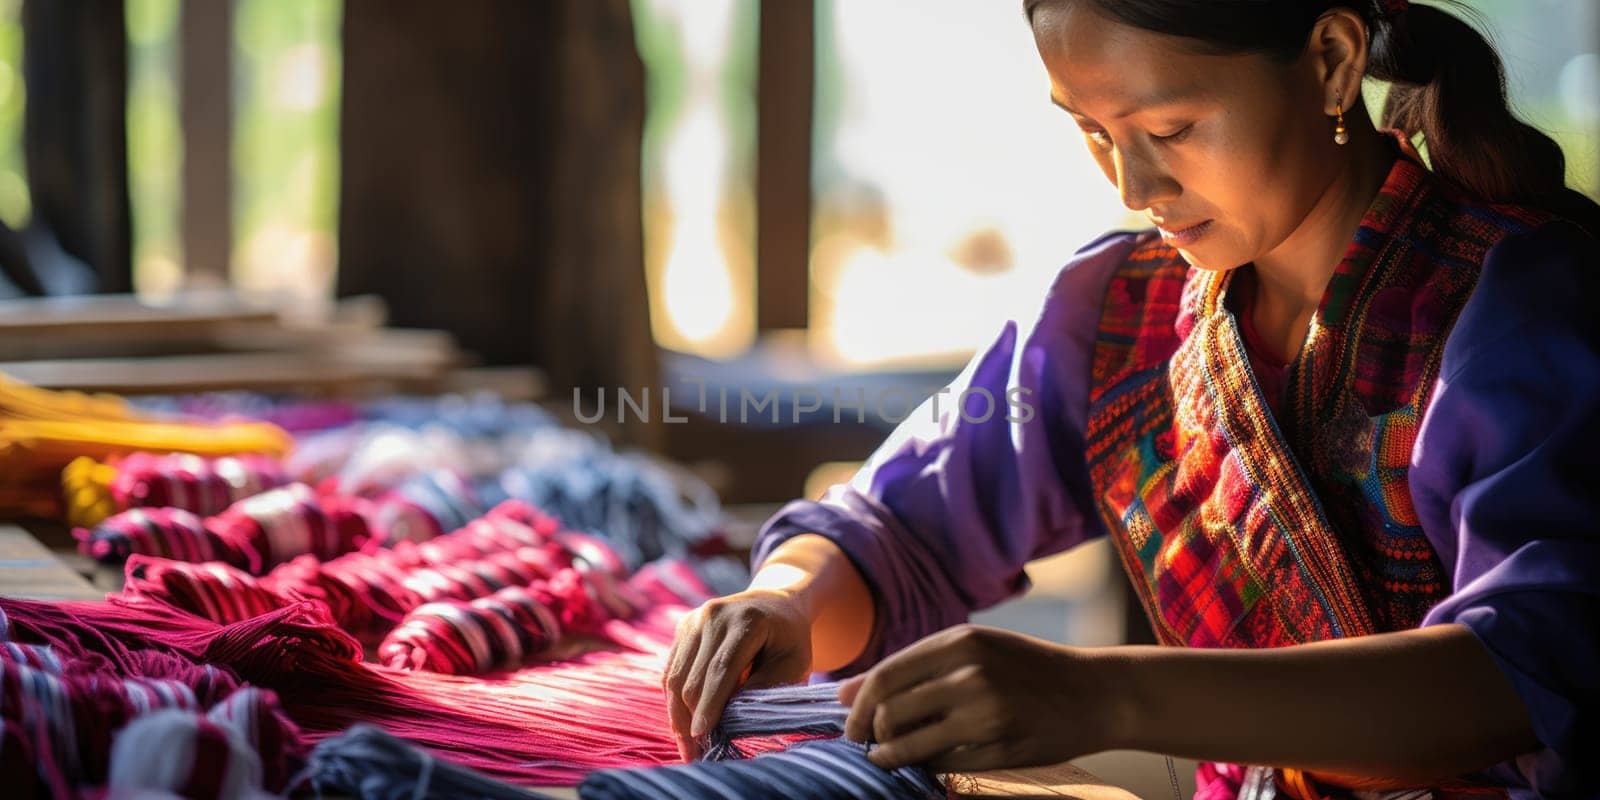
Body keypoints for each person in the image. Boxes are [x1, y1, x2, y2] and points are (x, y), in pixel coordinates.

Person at [663, 1, 1600, 797]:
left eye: (1171, 129)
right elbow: (897, 531)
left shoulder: (1516, 309)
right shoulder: (1116, 319)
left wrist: (1101, 696)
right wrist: (783, 603)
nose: (1133, 182)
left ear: (1331, 61)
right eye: (1093, 130)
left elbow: (1529, 667)